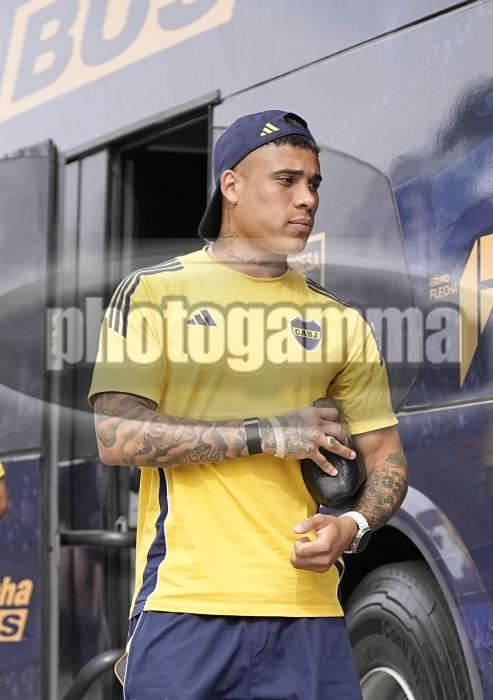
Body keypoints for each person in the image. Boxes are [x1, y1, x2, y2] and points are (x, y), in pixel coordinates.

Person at [89, 109, 408, 699]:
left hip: (310, 612)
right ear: (231, 187)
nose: (307, 199)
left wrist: (353, 525)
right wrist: (266, 432)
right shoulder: (155, 293)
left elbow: (386, 455)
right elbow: (116, 437)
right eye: (286, 180)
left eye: (313, 183)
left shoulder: (341, 321)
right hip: (186, 606)